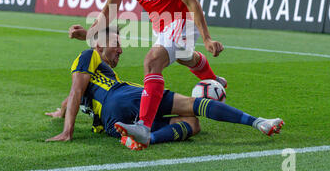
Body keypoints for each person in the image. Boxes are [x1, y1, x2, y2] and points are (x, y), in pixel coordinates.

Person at [69, 0, 225, 150]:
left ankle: (143, 125)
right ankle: (214, 82)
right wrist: (91, 34)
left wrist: (206, 38)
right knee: (184, 57)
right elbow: (111, 7)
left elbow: (191, 2)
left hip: (180, 20)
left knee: (152, 61)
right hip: (159, 23)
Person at [46, 27, 284, 150]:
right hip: (124, 97)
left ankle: (149, 138)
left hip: (110, 123)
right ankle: (258, 122)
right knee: (194, 106)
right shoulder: (90, 55)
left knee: (192, 124)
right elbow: (77, 90)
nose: (120, 50)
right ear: (99, 45)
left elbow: (73, 95)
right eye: (117, 44)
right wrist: (68, 130)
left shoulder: (94, 72)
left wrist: (61, 111)